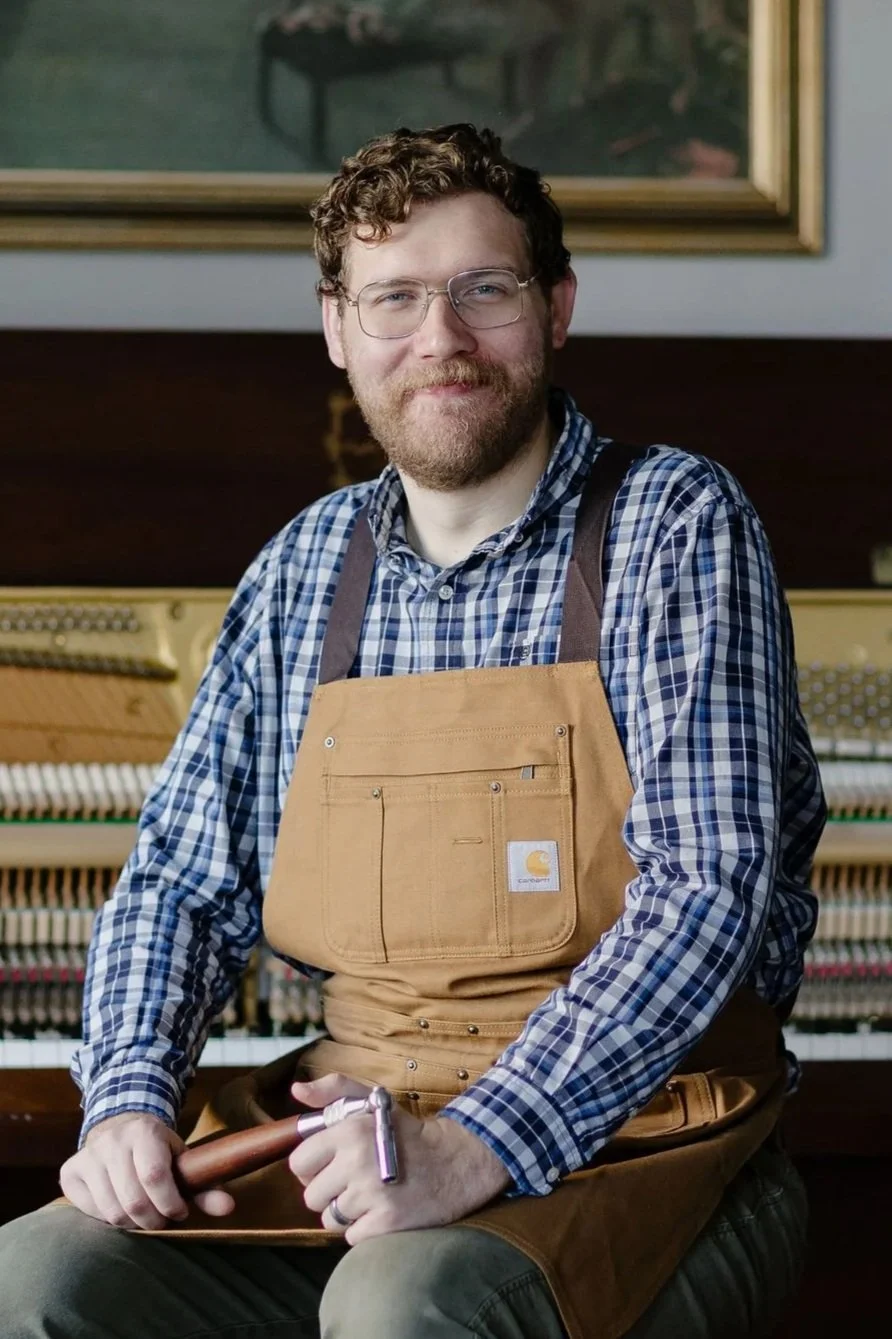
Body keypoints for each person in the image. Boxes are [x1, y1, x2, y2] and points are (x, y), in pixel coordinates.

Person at [0, 122, 823, 1339]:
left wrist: (478, 1141)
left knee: (403, 1307)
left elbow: (708, 886)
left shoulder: (672, 524)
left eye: (481, 290)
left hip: (633, 1134)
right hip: (358, 1129)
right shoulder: (304, 568)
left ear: (555, 308)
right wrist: (126, 1094)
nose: (439, 338)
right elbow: (178, 879)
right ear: (339, 331)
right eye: (393, 298)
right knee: (37, 1279)